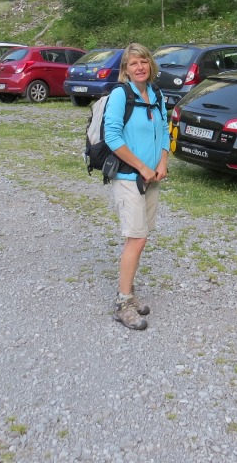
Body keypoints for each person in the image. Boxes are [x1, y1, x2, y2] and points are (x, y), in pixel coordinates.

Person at [103, 43, 170, 330]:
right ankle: (123, 303)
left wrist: (162, 162)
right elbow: (112, 137)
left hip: (152, 178)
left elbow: (165, 130)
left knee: (140, 237)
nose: (140, 67)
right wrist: (142, 167)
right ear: (126, 70)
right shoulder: (120, 95)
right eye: (133, 63)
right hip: (129, 177)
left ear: (150, 64)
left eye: (143, 61)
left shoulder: (156, 94)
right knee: (137, 238)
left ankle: (128, 292)